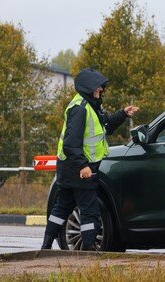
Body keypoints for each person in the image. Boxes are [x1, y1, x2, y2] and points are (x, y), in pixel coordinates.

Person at [41, 67, 139, 250]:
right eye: (98, 87)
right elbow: (71, 143)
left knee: (62, 207)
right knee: (90, 211)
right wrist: (83, 166)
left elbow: (106, 126)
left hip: (70, 167)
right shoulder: (80, 109)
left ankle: (45, 247)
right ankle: (87, 251)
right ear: (88, 87)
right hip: (80, 169)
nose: (101, 89)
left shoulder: (91, 105)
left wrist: (123, 114)